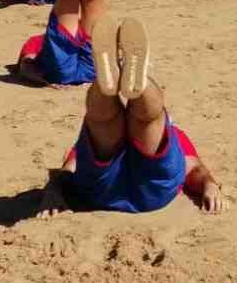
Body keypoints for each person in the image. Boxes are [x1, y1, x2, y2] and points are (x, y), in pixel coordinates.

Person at [38, 14, 225, 218]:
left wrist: (53, 192)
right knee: (151, 120)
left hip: (101, 193)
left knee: (101, 123)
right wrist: (209, 185)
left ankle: (106, 81)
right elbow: (193, 167)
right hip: (151, 194)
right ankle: (140, 80)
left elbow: (68, 170)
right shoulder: (176, 135)